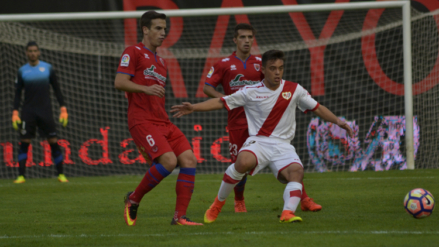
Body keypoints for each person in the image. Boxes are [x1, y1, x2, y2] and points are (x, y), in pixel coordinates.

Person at [172, 50, 353, 223]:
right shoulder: (250, 91)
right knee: (242, 162)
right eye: (273, 68)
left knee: (297, 172)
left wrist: (338, 121)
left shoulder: (294, 89)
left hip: (283, 145)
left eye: (280, 68)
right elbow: (221, 102)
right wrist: (194, 107)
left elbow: (318, 107)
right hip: (259, 142)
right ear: (263, 70)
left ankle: (287, 213)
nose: (277, 72)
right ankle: (217, 204)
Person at [203, 23, 322, 213]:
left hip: (262, 122)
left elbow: (273, 85)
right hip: (237, 122)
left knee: (290, 162)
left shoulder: (261, 63)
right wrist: (227, 100)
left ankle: (305, 199)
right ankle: (239, 200)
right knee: (239, 164)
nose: (247, 41)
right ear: (235, 40)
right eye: (242, 37)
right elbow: (207, 87)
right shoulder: (223, 64)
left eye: (250, 37)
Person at [114, 11, 203, 226]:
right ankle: (133, 199)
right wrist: (145, 89)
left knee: (190, 160)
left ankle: (179, 217)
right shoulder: (133, 51)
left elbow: (155, 94)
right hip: (142, 120)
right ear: (145, 29)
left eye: (164, 28)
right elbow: (119, 82)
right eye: (158, 28)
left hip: (162, 121)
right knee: (170, 161)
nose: (163, 33)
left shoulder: (161, 61)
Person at [12, 41, 69, 184]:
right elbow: (18, 94)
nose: (32, 53)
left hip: (45, 111)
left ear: (39, 52)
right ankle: (21, 176)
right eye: (30, 51)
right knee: (24, 142)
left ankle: (61, 175)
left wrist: (63, 108)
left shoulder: (47, 68)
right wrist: (15, 112)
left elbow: (57, 89)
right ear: (26, 53)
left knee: (53, 142)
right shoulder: (22, 71)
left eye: (35, 50)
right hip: (28, 112)